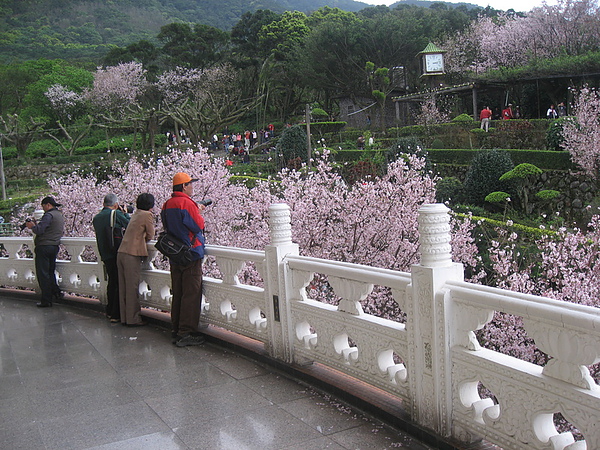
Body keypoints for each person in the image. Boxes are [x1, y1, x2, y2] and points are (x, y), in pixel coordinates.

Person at [161, 172, 207, 347]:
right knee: (191, 293)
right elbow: (198, 225)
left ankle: (176, 328)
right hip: (190, 253)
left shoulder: (167, 205)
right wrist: (199, 212)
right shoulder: (186, 203)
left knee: (178, 292)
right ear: (183, 186)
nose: (192, 187)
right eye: (190, 184)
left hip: (174, 253)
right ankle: (186, 332)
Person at [117, 193, 155, 327]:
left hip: (121, 252)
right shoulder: (147, 215)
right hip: (132, 254)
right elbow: (151, 234)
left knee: (123, 287)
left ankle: (124, 317)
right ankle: (133, 319)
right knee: (132, 287)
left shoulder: (136, 213)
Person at [92, 194, 130, 322]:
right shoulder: (115, 214)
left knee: (111, 281)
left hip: (105, 253)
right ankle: (115, 314)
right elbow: (130, 225)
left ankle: (109, 311)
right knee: (118, 282)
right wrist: (125, 213)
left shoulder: (96, 218)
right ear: (115, 205)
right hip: (116, 252)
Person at [26, 197, 64, 307]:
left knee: (43, 274)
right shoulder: (59, 215)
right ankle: (56, 293)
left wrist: (32, 226)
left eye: (43, 207)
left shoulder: (49, 215)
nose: (43, 210)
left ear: (48, 205)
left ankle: (46, 300)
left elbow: (39, 230)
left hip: (44, 247)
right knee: (50, 271)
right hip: (54, 246)